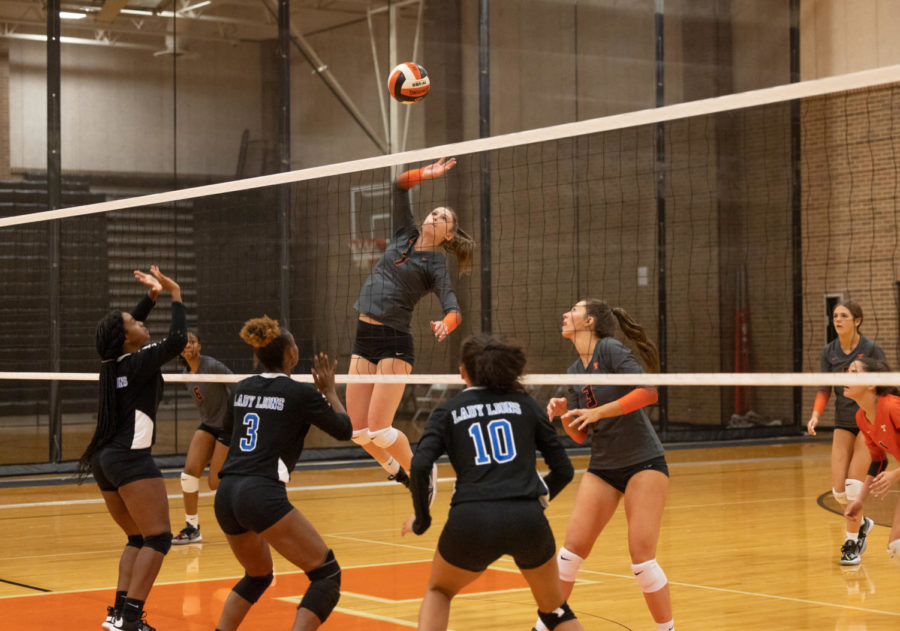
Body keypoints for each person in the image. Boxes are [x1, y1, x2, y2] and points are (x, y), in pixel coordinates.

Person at [402, 334, 582, 631]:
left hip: (472, 519)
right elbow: (564, 470)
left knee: (439, 591)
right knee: (555, 610)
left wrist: (422, 520)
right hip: (527, 519)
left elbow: (420, 464)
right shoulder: (525, 404)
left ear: (463, 372)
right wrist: (535, 501)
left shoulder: (448, 411)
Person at [535, 299, 674, 631]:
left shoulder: (609, 350)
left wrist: (599, 411)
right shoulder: (572, 372)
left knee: (642, 561)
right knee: (569, 555)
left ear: (590, 321)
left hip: (644, 462)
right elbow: (580, 436)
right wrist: (565, 414)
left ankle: (666, 629)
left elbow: (648, 392)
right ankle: (542, 628)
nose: (565, 314)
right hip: (603, 466)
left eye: (574, 310)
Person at [213, 316, 353, 631]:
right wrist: (329, 391)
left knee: (257, 576)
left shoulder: (242, 388)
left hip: (226, 493)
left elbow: (227, 435)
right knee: (327, 575)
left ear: (257, 355)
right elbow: (344, 430)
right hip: (260, 493)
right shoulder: (299, 393)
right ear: (290, 355)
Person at [347, 156, 475, 488]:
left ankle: (422, 471)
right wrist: (427, 173)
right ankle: (395, 470)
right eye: (434, 211)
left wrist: (446, 324)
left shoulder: (436, 265)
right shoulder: (405, 232)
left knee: (378, 429)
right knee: (359, 433)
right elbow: (400, 185)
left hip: (394, 343)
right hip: (365, 337)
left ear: (449, 234)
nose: (435, 215)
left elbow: (454, 309)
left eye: (443, 217)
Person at [78, 266, 186, 631]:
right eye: (135, 323)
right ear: (126, 339)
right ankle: (130, 620)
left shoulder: (114, 364)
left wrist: (148, 300)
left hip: (105, 460)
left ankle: (117, 615)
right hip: (129, 459)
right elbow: (177, 341)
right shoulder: (139, 362)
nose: (142, 324)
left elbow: (128, 331)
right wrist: (175, 294)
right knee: (157, 538)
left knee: (137, 538)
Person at [806, 300, 884, 565]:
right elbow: (824, 388)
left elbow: (883, 386)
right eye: (835, 316)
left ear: (857, 320)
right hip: (843, 420)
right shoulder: (829, 352)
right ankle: (862, 524)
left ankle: (851, 544)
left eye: (843, 316)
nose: (837, 320)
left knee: (853, 485)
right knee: (839, 492)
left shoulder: (872, 350)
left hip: (868, 420)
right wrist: (816, 415)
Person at [172, 331, 234, 544]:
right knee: (188, 474)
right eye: (185, 343)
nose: (188, 345)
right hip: (209, 425)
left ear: (200, 346)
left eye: (193, 341)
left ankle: (244, 515)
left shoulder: (213, 366)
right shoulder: (185, 374)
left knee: (215, 483)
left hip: (228, 426)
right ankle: (192, 528)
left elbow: (238, 386)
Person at [842, 357, 900, 565]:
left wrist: (894, 475)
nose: (846, 377)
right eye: (847, 371)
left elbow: (888, 470)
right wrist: (859, 500)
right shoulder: (862, 417)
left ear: (871, 383)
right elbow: (878, 461)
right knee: (896, 546)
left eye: (854, 373)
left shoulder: (892, 407)